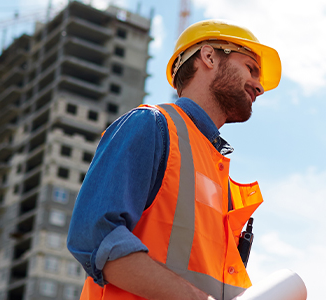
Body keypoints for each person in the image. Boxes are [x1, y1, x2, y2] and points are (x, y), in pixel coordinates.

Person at [67, 20, 281, 300]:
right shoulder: (151, 126)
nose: (259, 87)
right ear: (209, 56)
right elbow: (93, 235)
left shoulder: (215, 172)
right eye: (250, 68)